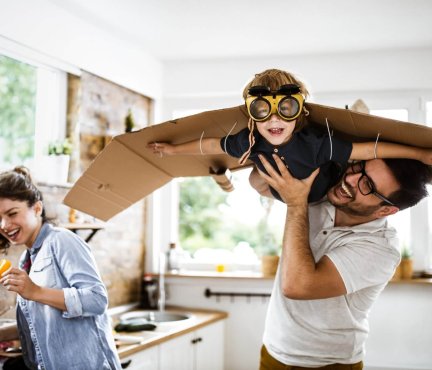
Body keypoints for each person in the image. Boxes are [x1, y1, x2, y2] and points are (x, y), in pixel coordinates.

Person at [147, 69, 432, 203]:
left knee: (258, 174)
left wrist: (419, 154)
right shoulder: (249, 139)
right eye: (262, 110)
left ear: (299, 113)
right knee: (253, 178)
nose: (274, 119)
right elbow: (209, 143)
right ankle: (231, 176)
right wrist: (173, 150)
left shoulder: (316, 143)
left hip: (317, 195)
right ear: (251, 115)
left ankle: (240, 173)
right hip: (278, 191)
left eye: (285, 108)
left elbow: (370, 150)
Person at [256, 154, 432, 369]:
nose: (351, 180)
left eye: (367, 184)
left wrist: (296, 203)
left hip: (330, 363)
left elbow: (297, 286)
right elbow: (259, 183)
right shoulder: (323, 193)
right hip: (274, 351)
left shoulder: (381, 248)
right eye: (359, 167)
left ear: (385, 210)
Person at [0, 167, 121, 370]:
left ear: (37, 208)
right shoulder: (27, 259)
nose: (4, 224)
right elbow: (41, 323)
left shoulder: (61, 240)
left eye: (12, 213)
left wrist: (35, 291)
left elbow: (97, 299)